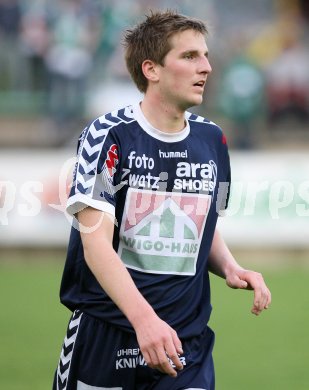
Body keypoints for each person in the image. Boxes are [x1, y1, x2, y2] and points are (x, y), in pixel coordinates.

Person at [53, 9, 271, 390]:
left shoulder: (213, 140)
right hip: (109, 335)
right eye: (189, 57)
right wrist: (144, 321)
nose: (206, 67)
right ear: (151, 69)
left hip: (185, 344)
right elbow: (95, 245)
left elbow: (204, 224)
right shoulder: (107, 136)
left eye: (205, 55)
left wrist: (230, 266)